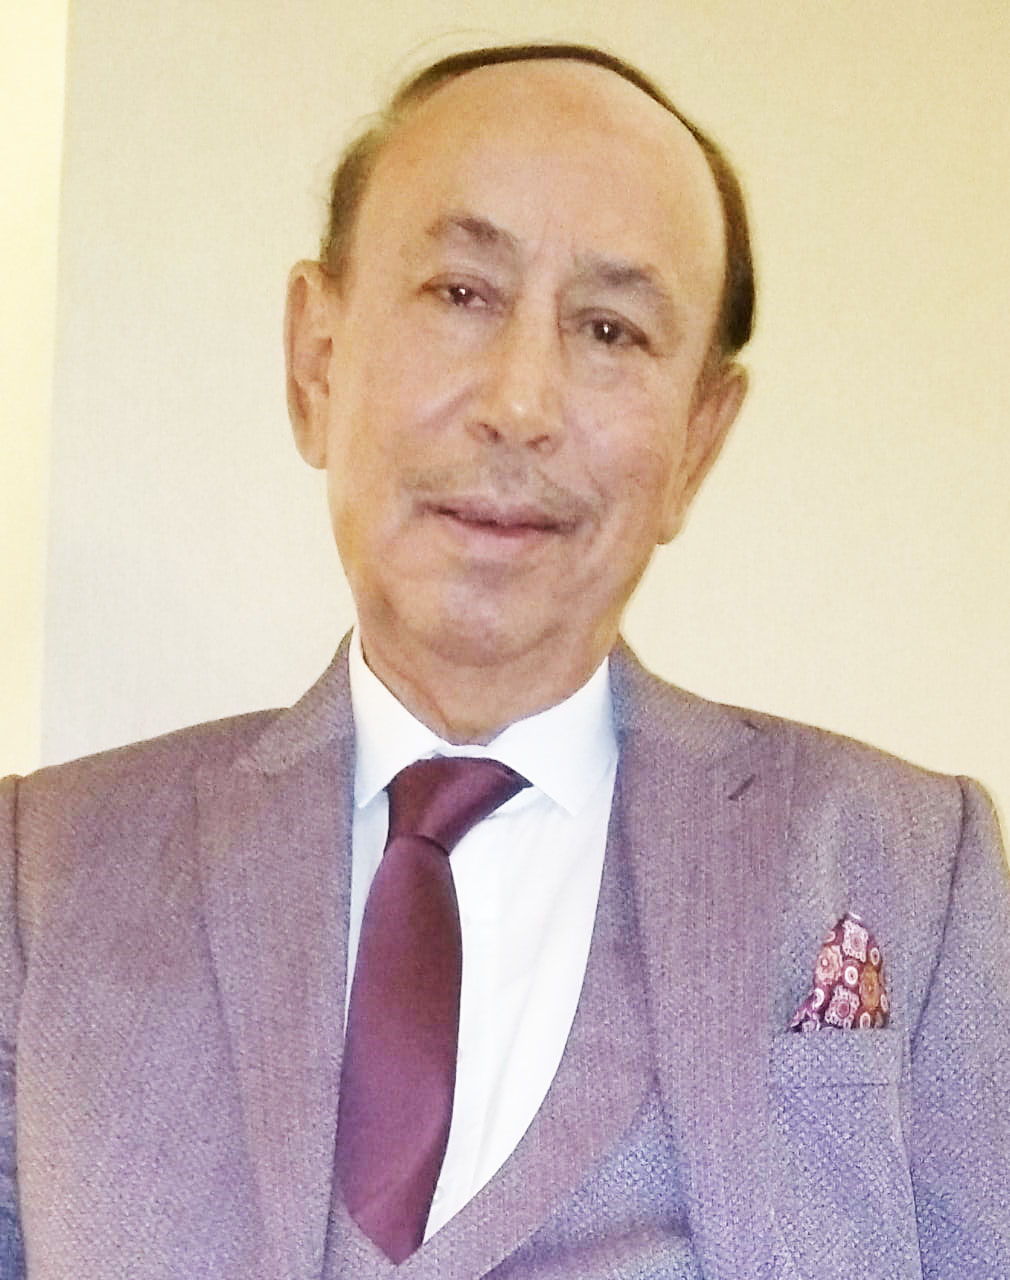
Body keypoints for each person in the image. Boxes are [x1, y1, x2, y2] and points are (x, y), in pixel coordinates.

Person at [2, 41, 1008, 1280]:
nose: (519, 403)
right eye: (460, 293)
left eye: (609, 328)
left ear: (697, 439)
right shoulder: (44, 877)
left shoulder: (909, 867)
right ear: (316, 359)